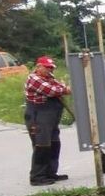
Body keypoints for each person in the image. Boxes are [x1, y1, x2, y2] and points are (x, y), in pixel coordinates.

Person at [24, 55, 72, 186]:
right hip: (38, 117)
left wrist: (62, 88)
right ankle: (37, 177)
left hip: (50, 118)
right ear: (38, 66)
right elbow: (52, 91)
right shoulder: (34, 79)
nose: (49, 70)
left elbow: (58, 86)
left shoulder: (49, 78)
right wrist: (65, 89)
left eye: (51, 68)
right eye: (47, 67)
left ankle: (50, 173)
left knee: (55, 144)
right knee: (42, 146)